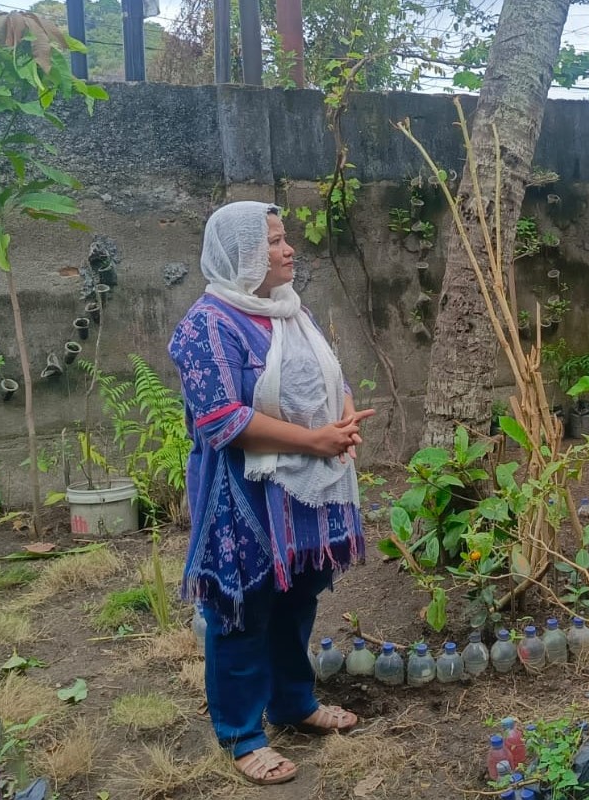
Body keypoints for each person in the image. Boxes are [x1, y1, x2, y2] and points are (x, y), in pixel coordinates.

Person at [169, 201, 374, 786]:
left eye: (284, 240)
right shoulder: (207, 324)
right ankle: (241, 734)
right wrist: (315, 440)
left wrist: (343, 420)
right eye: (275, 242)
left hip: (302, 490)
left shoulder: (289, 311)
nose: (289, 250)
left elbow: (329, 374)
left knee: (297, 596)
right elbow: (221, 420)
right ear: (242, 256)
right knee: (243, 606)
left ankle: (292, 702)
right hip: (241, 493)